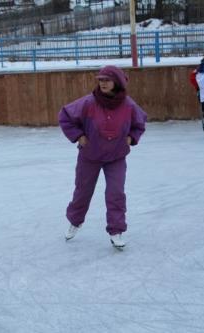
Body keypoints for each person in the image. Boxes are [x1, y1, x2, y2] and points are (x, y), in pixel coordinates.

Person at [58, 65, 147, 248]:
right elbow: (65, 116)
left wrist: (131, 138)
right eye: (100, 80)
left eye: (107, 80)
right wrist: (79, 136)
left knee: (116, 193)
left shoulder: (128, 105)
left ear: (117, 82)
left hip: (116, 156)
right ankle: (75, 221)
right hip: (90, 156)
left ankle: (116, 230)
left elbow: (140, 123)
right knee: (82, 191)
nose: (103, 83)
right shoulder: (88, 103)